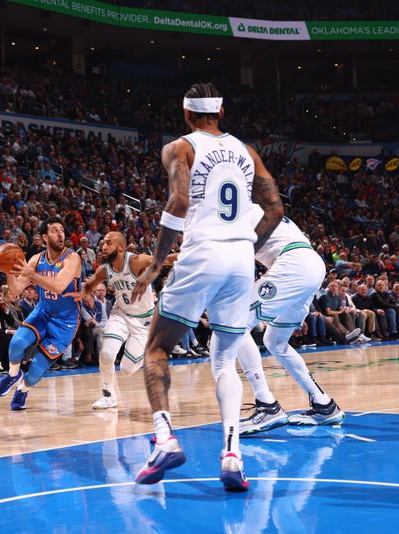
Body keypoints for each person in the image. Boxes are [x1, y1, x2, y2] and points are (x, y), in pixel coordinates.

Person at [128, 83, 284, 490]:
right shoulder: (247, 152)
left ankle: (164, 439)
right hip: (239, 259)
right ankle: (232, 455)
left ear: (186, 113)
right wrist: (249, 248)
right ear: (221, 111)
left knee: (157, 348)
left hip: (202, 253)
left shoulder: (180, 148)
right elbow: (275, 208)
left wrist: (158, 262)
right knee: (226, 358)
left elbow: (179, 202)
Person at [236, 205, 345, 435]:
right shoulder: (258, 208)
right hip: (310, 265)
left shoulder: (235, 210)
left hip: (293, 264)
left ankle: (267, 406)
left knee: (234, 324)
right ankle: (324, 404)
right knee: (275, 341)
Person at [0, 216, 83, 410]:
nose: (60, 233)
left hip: (65, 322)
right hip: (43, 312)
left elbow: (59, 286)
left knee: (35, 372)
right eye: (54, 230)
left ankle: (23, 390)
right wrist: (9, 270)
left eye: (62, 230)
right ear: (44, 237)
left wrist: (32, 275)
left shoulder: (72, 258)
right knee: (16, 343)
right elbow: (15, 291)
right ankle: (13, 373)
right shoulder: (36, 259)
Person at [70, 232, 160, 410]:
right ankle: (109, 395)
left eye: (108, 243)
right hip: (120, 315)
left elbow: (163, 259)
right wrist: (82, 292)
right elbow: (91, 284)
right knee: (106, 354)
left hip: (144, 322)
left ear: (120, 247)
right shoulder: (104, 269)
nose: (103, 247)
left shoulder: (135, 261)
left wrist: (191, 255)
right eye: (103, 243)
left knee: (126, 370)